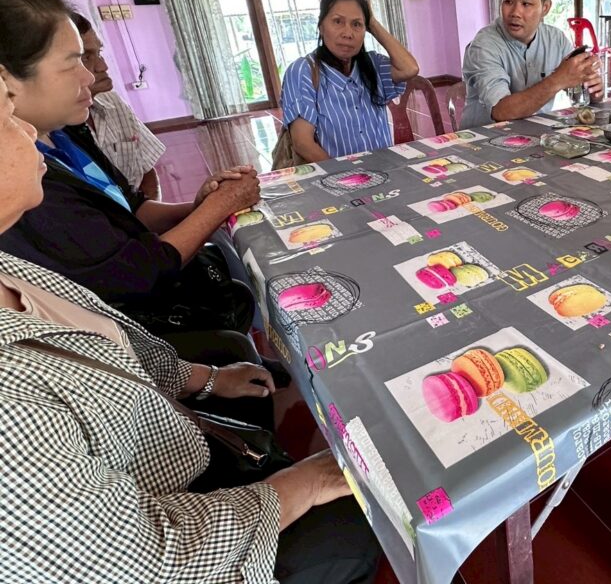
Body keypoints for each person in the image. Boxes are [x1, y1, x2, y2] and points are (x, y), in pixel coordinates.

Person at [0, 73, 380, 582]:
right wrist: (302, 485)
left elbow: (107, 347)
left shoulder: (13, 265)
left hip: (164, 443)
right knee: (356, 524)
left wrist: (201, 379)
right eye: (5, 116)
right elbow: (144, 559)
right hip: (175, 535)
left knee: (240, 359)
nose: (25, 130)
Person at [0, 0, 262, 348]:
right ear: (8, 81)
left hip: (156, 307)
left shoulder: (66, 133)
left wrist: (198, 205)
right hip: (138, 327)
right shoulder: (26, 185)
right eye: (73, 63)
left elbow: (129, 205)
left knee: (233, 283)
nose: (91, 74)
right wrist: (218, 207)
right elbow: (137, 275)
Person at [461, 0, 604, 128]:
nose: (515, 12)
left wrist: (593, 90)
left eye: (526, 3)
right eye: (508, 1)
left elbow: (580, 94)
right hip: (483, 138)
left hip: (536, 134)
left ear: (545, 7)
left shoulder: (556, 39)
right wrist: (559, 79)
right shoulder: (484, 45)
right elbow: (501, 111)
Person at [280, 0, 419, 162]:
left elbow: (409, 69)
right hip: (334, 175)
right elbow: (303, 143)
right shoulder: (303, 71)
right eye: (337, 21)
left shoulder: (373, 64)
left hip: (385, 169)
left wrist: (373, 23)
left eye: (357, 24)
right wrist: (348, 175)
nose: (347, 34)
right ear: (321, 26)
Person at [69, 12, 165, 199]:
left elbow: (146, 171)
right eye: (85, 57)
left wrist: (153, 210)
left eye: (99, 53)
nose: (103, 66)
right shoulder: (53, 135)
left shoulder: (113, 103)